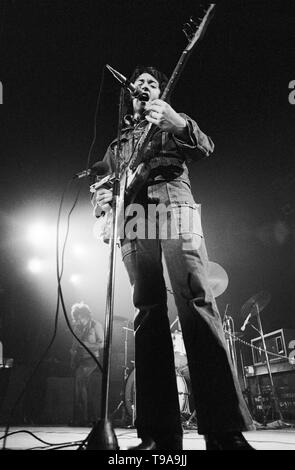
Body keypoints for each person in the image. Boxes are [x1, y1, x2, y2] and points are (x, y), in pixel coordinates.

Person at [91, 66, 255, 450]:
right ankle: (158, 434)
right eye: (139, 86)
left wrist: (177, 122)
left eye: (151, 83)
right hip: (133, 218)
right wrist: (100, 201)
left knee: (197, 303)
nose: (144, 88)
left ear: (161, 91)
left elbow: (205, 147)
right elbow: (103, 186)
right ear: (129, 99)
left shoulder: (170, 120)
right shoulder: (117, 147)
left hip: (176, 209)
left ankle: (223, 429)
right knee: (147, 313)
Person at [70, 301, 104, 426]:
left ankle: (82, 418)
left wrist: (87, 345)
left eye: (79, 316)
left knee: (80, 382)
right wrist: (72, 357)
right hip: (80, 359)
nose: (78, 319)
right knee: (81, 387)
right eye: (76, 317)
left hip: (92, 359)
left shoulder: (96, 325)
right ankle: (86, 418)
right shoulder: (78, 327)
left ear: (84, 314)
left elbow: (102, 344)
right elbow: (74, 346)